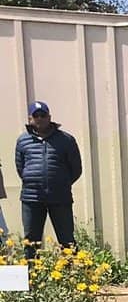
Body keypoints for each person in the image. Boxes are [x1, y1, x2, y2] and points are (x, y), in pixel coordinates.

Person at [15, 101, 83, 256]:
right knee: (31, 240)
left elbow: (76, 169)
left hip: (60, 197)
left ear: (49, 117)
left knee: (67, 240)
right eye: (36, 116)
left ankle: (71, 270)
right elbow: (21, 168)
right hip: (31, 198)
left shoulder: (66, 140)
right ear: (30, 119)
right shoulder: (22, 141)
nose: (40, 118)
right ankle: (32, 270)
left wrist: (61, 183)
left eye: (43, 115)